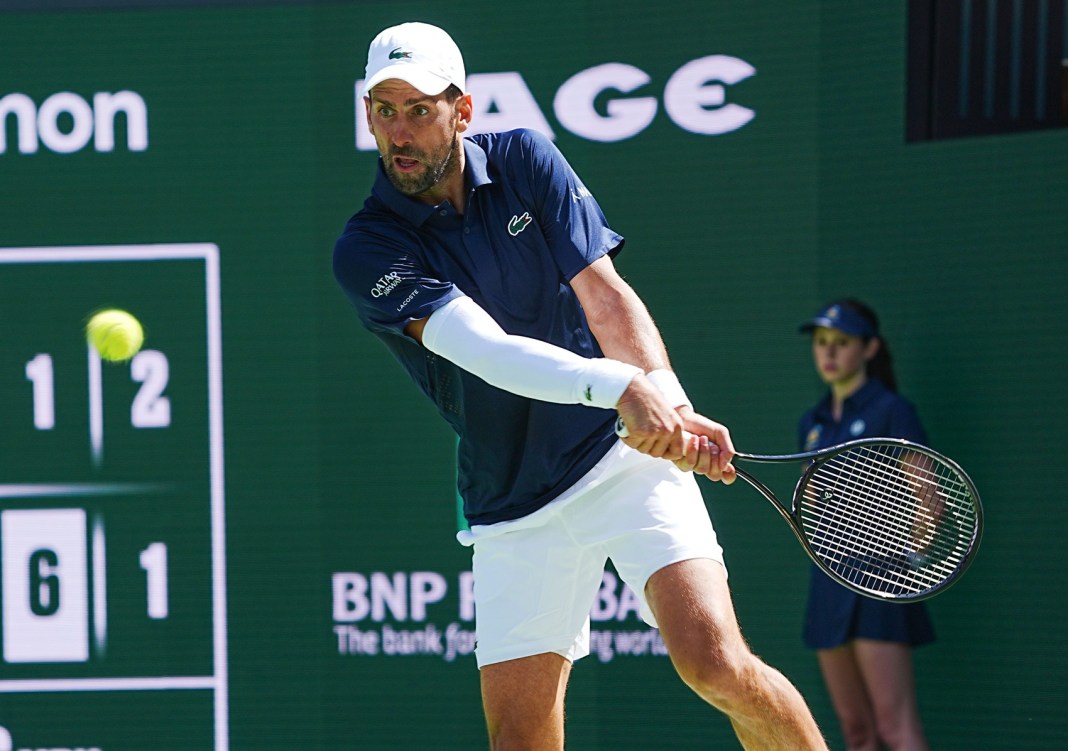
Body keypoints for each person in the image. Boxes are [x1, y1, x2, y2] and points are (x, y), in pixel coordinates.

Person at [333, 21, 827, 750]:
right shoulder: (368, 246)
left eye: (419, 109)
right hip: (511, 502)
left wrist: (670, 402)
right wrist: (626, 388)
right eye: (384, 109)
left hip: (624, 459)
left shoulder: (527, 158)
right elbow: (486, 351)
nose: (398, 131)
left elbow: (605, 295)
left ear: (461, 111)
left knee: (715, 661)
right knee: (520, 740)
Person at [797, 300, 935, 751]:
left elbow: (929, 500)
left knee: (896, 729)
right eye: (822, 343)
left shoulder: (893, 411)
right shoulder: (812, 425)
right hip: (830, 582)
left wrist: (905, 555)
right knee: (857, 735)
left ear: (870, 348)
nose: (829, 353)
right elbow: (815, 506)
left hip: (883, 581)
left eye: (842, 342)